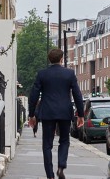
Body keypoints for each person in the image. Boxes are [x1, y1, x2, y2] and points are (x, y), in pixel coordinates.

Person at [28, 48, 84, 179]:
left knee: (47, 144)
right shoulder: (69, 74)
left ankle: (50, 176)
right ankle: (61, 166)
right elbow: (77, 95)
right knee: (64, 140)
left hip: (47, 112)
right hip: (65, 112)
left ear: (49, 59)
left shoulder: (42, 74)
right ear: (61, 59)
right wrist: (81, 114)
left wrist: (32, 115)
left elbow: (34, 95)